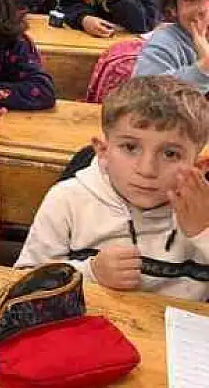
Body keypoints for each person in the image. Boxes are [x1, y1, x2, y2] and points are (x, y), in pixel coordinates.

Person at [16, 76, 209, 301]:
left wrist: (203, 233)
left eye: (170, 154)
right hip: (84, 328)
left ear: (199, 166)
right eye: (130, 147)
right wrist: (91, 272)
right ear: (103, 151)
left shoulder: (204, 211)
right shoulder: (67, 200)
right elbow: (22, 280)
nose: (147, 170)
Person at [135, 0, 209, 91]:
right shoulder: (165, 45)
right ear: (173, 6)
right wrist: (204, 68)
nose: (203, 10)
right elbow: (143, 98)